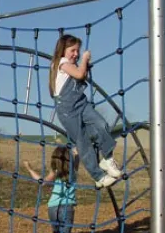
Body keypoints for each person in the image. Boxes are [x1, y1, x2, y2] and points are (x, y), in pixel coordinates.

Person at [49, 34, 123, 189]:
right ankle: (99, 177)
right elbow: (79, 74)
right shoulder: (61, 63)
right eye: (72, 50)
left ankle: (107, 158)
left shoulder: (73, 65)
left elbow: (82, 77)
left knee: (101, 124)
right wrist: (84, 59)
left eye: (78, 51)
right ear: (63, 50)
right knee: (82, 142)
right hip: (67, 109)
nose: (76, 54)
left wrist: (85, 65)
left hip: (81, 103)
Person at [23, 146, 80, 233]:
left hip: (54, 207)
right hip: (68, 207)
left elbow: (42, 182)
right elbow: (77, 159)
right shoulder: (73, 170)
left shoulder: (55, 172)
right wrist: (76, 153)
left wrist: (29, 168)